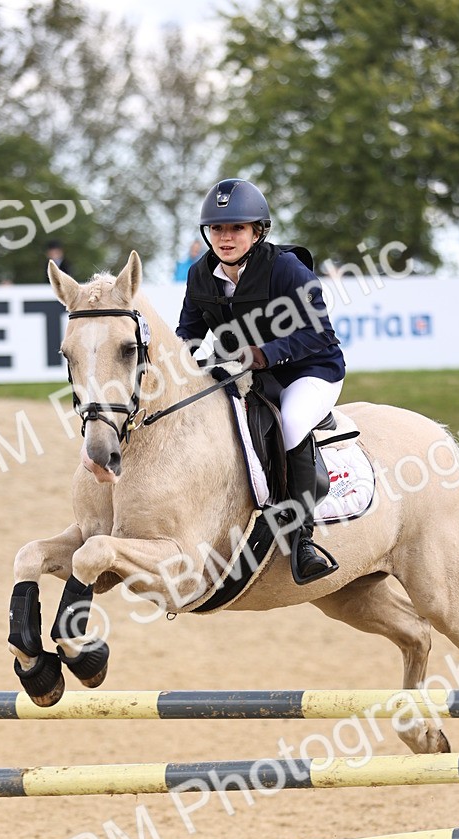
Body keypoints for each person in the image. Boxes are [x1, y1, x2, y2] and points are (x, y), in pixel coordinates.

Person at [175, 177, 345, 584]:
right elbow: (189, 332)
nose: (225, 237)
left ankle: (302, 540)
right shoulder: (201, 276)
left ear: (257, 231)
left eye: (236, 228)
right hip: (251, 374)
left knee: (290, 421)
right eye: (217, 228)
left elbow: (319, 333)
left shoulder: (286, 270)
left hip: (310, 371)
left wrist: (262, 353)